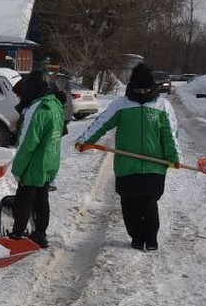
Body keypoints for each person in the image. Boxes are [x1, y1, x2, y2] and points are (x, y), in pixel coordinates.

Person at [76, 62, 179, 252]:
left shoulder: (162, 106)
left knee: (149, 202)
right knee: (129, 204)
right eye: (139, 89)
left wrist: (174, 156)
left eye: (146, 89)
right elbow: (101, 123)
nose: (142, 93)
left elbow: (170, 134)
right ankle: (137, 237)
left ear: (152, 87)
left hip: (154, 166)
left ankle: (151, 238)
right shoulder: (121, 106)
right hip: (127, 165)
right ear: (132, 87)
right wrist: (85, 140)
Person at [7, 70, 65, 248]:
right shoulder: (55, 105)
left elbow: (27, 142)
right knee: (41, 199)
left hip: (33, 164)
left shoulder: (37, 108)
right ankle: (40, 234)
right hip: (49, 161)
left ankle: (17, 234)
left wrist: (17, 168)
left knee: (23, 199)